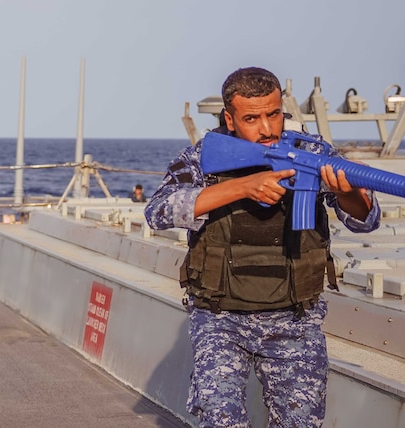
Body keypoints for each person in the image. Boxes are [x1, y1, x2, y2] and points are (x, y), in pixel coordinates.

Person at [144, 67, 381, 427]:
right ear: (229, 118)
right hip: (219, 317)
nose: (268, 128)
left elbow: (366, 220)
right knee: (220, 417)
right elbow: (158, 211)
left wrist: (346, 190)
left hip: (295, 318)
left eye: (274, 114)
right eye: (252, 118)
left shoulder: (311, 150)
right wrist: (244, 187)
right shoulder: (204, 157)